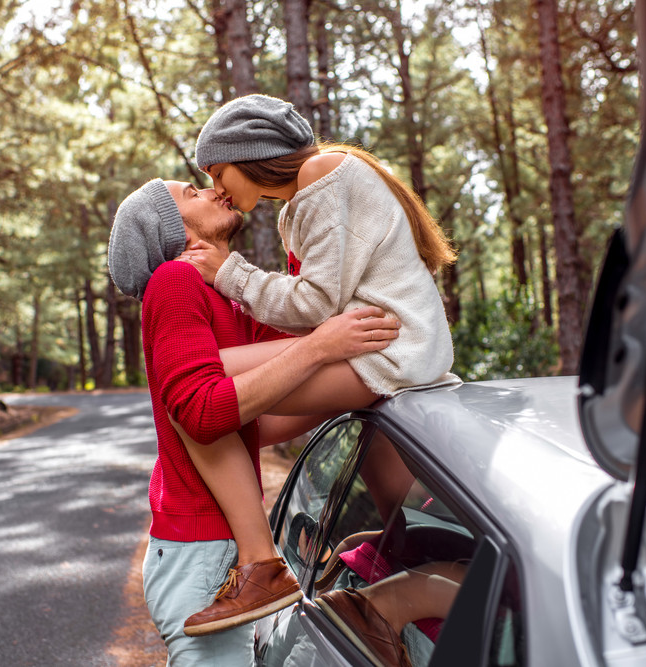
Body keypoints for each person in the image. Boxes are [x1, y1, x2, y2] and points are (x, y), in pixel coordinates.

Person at [169, 94, 462, 635]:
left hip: (387, 348)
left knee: (204, 384)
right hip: (377, 348)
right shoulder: (303, 197)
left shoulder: (321, 172)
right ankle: (395, 552)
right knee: (222, 417)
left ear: (247, 152)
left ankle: (262, 565)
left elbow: (315, 304)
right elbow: (313, 314)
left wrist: (230, 273)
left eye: (215, 169)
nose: (215, 186)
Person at [107, 178, 401, 665]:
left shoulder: (228, 299)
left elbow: (255, 421)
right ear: (174, 230)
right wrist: (320, 346)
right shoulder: (174, 281)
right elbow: (201, 411)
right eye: (191, 193)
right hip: (201, 557)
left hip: (212, 554)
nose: (213, 191)